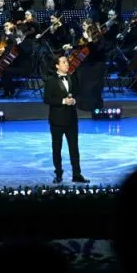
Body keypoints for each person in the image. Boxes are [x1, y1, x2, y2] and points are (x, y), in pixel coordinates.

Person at [42, 55, 89, 184]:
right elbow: (47, 99)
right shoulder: (51, 81)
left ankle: (77, 174)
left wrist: (74, 100)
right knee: (57, 149)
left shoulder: (72, 78)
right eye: (63, 62)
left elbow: (78, 93)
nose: (67, 64)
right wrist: (62, 101)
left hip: (72, 120)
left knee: (74, 148)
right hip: (57, 121)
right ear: (57, 66)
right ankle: (58, 174)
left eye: (67, 62)